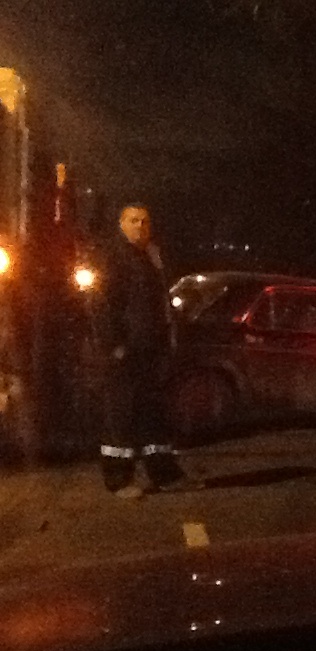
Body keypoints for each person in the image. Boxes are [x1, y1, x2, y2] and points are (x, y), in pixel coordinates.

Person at [95, 202, 188, 498]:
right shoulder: (114, 257)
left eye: (145, 221)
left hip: (150, 350)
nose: (140, 226)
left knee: (152, 413)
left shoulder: (150, 257)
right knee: (121, 416)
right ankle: (118, 480)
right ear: (121, 225)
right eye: (133, 220)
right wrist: (115, 345)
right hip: (126, 352)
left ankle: (164, 473)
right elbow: (103, 305)